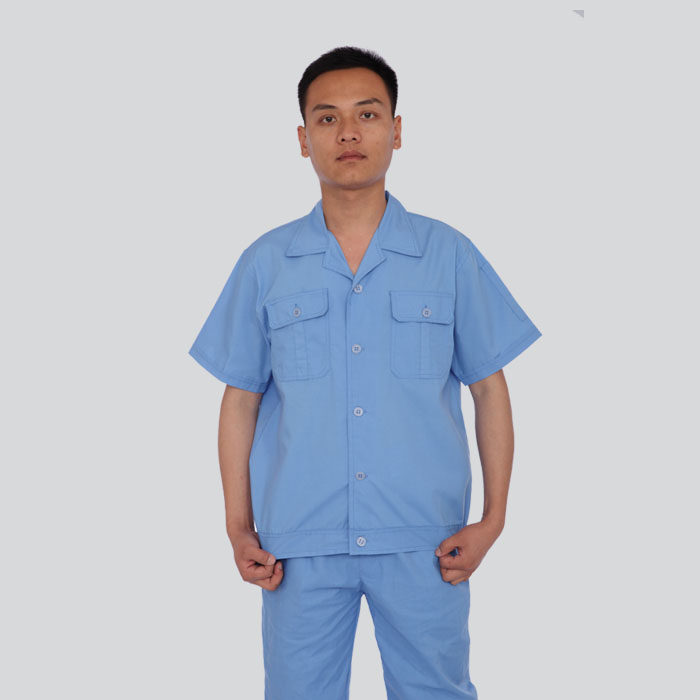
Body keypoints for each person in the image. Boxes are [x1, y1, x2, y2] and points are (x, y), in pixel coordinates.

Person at [188, 45, 542, 700]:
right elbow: (240, 399)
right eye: (327, 118)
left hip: (427, 540)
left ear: (396, 131)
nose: (348, 133)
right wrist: (238, 526)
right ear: (303, 140)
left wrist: (493, 519)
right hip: (298, 544)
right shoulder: (266, 263)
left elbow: (489, 387)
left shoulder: (448, 254)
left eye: (367, 114)